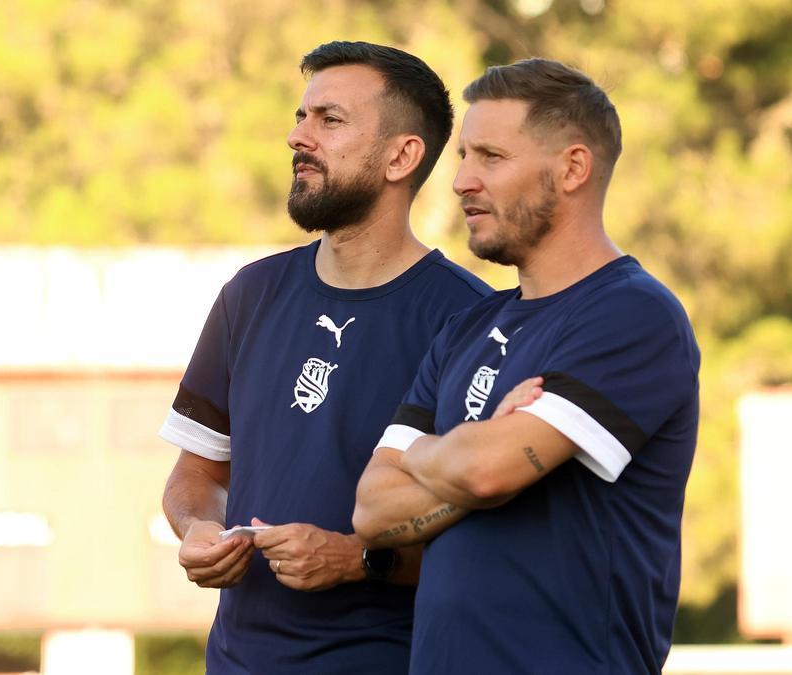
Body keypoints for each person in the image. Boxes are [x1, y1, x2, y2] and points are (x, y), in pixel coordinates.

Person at [353, 57, 701, 674]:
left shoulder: (633, 315)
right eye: (462, 156)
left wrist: (436, 457)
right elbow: (374, 511)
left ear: (571, 168)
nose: (461, 180)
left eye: (489, 156)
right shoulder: (466, 328)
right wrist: (470, 457)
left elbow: (486, 472)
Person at [158, 41, 491, 673]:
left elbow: (489, 538)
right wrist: (197, 529)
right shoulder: (249, 295)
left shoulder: (472, 321)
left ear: (402, 156)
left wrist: (356, 558)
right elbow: (196, 475)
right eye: (300, 115)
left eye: (328, 120)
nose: (297, 136)